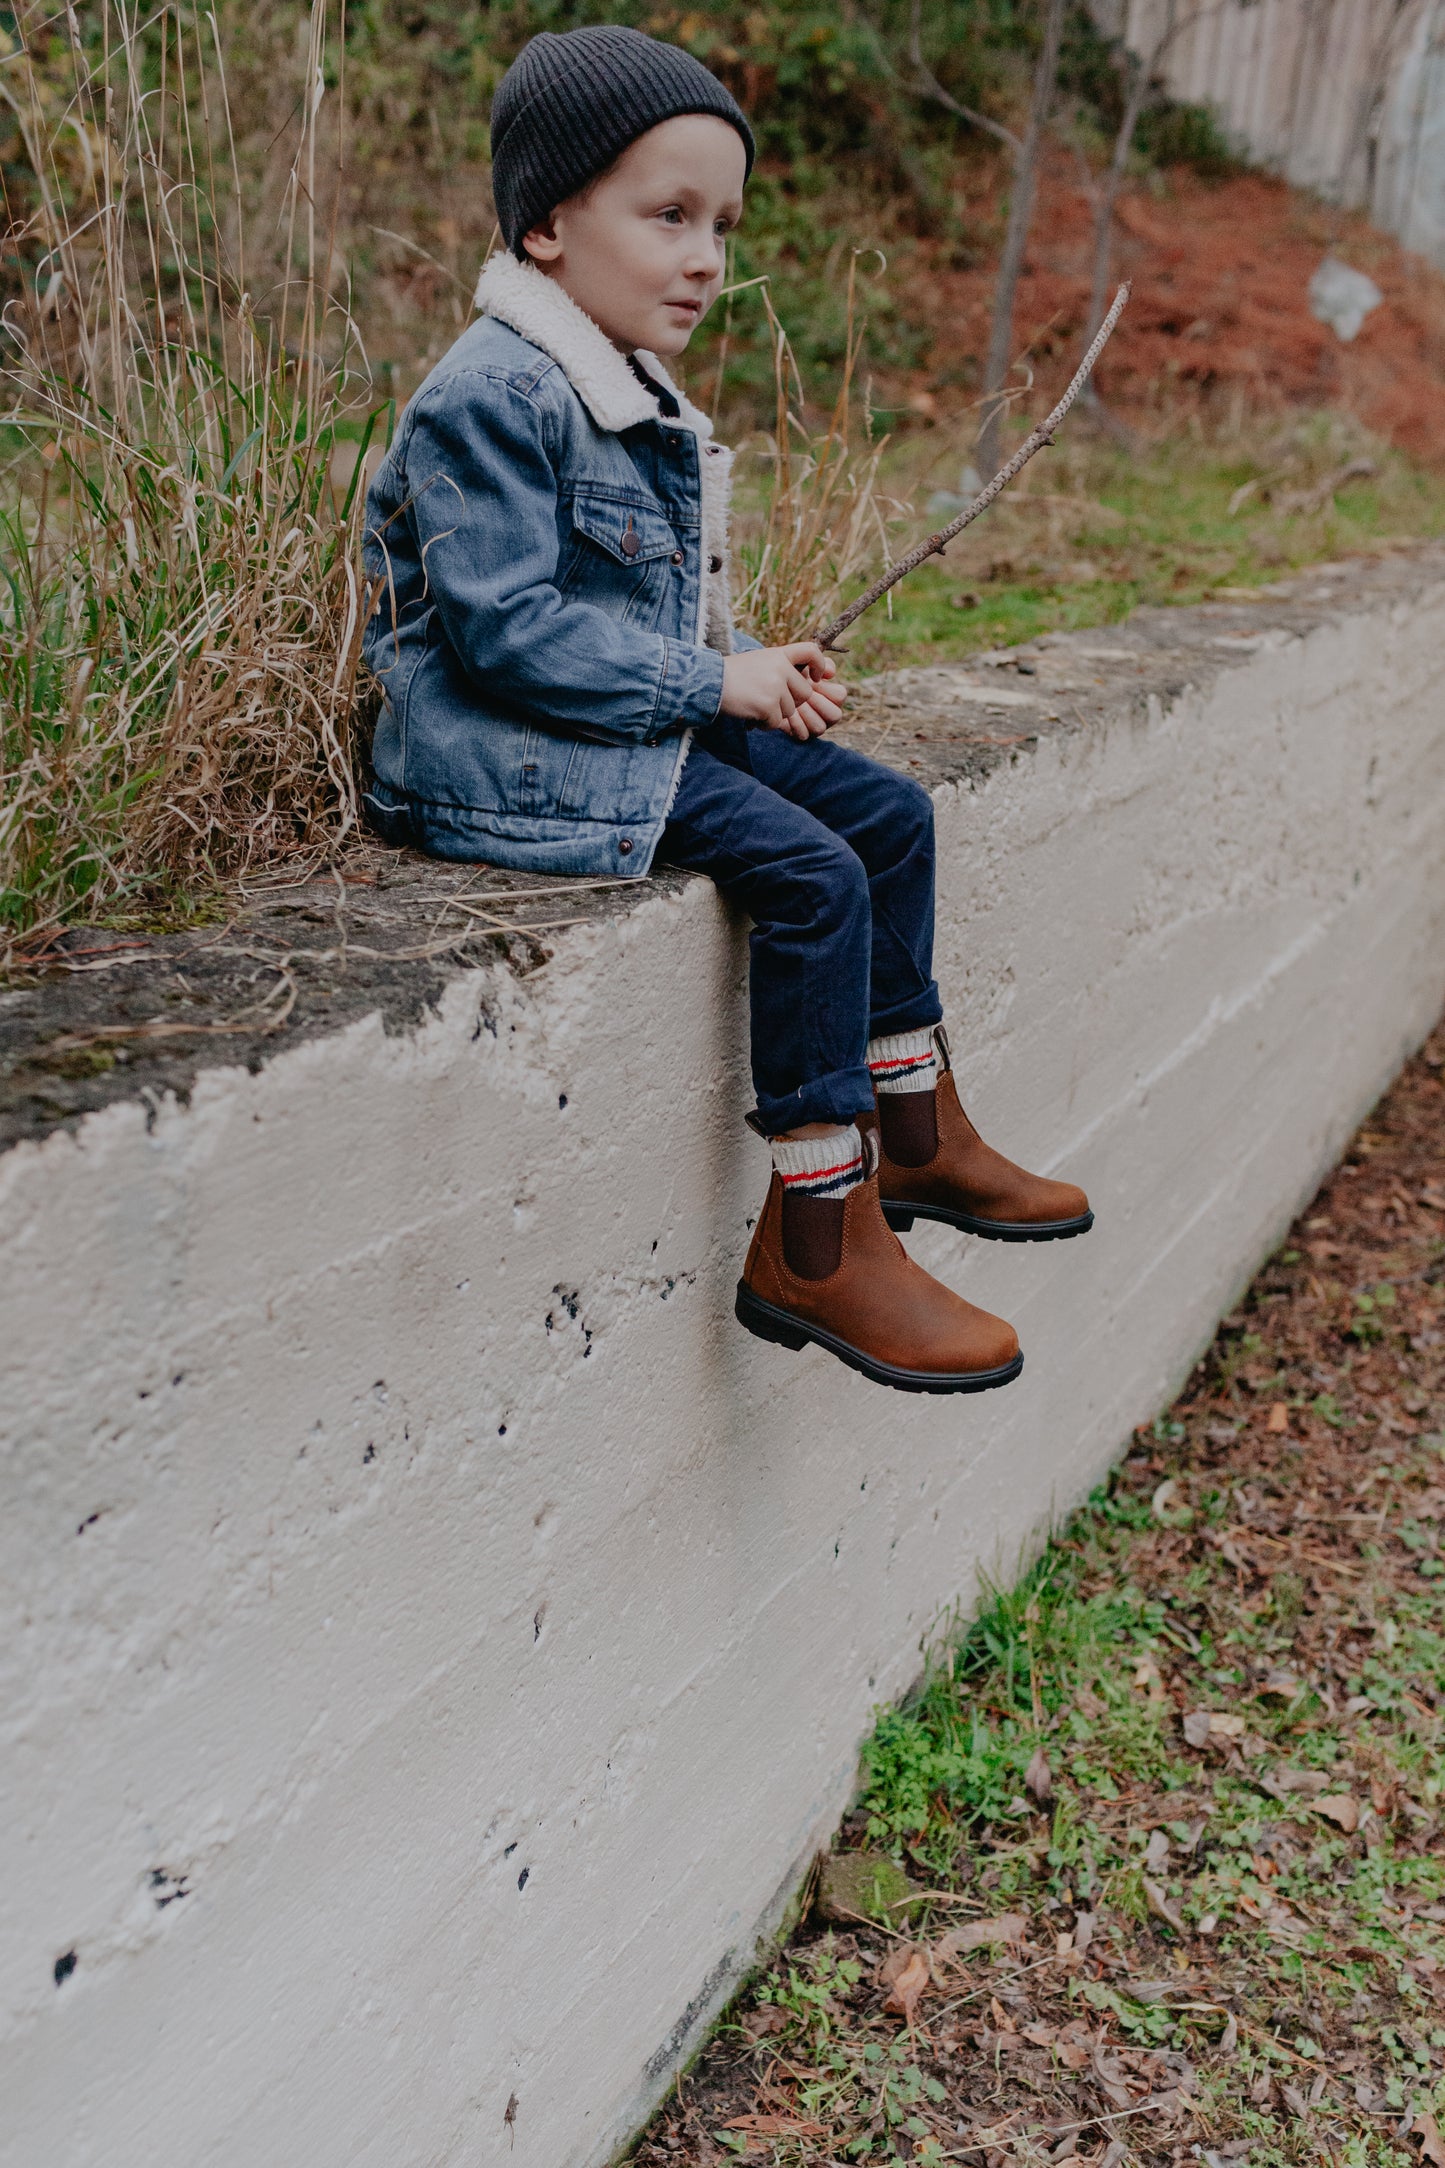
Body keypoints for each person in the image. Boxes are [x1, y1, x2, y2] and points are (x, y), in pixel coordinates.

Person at [361, 24, 1093, 1395]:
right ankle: (817, 1236)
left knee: (885, 812)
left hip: (601, 722)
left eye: (721, 223)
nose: (706, 255)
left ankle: (914, 1131)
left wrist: (753, 661)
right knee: (811, 878)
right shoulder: (489, 395)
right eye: (667, 216)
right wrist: (712, 684)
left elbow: (652, 618)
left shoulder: (626, 389)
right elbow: (508, 634)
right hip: (501, 758)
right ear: (544, 227)